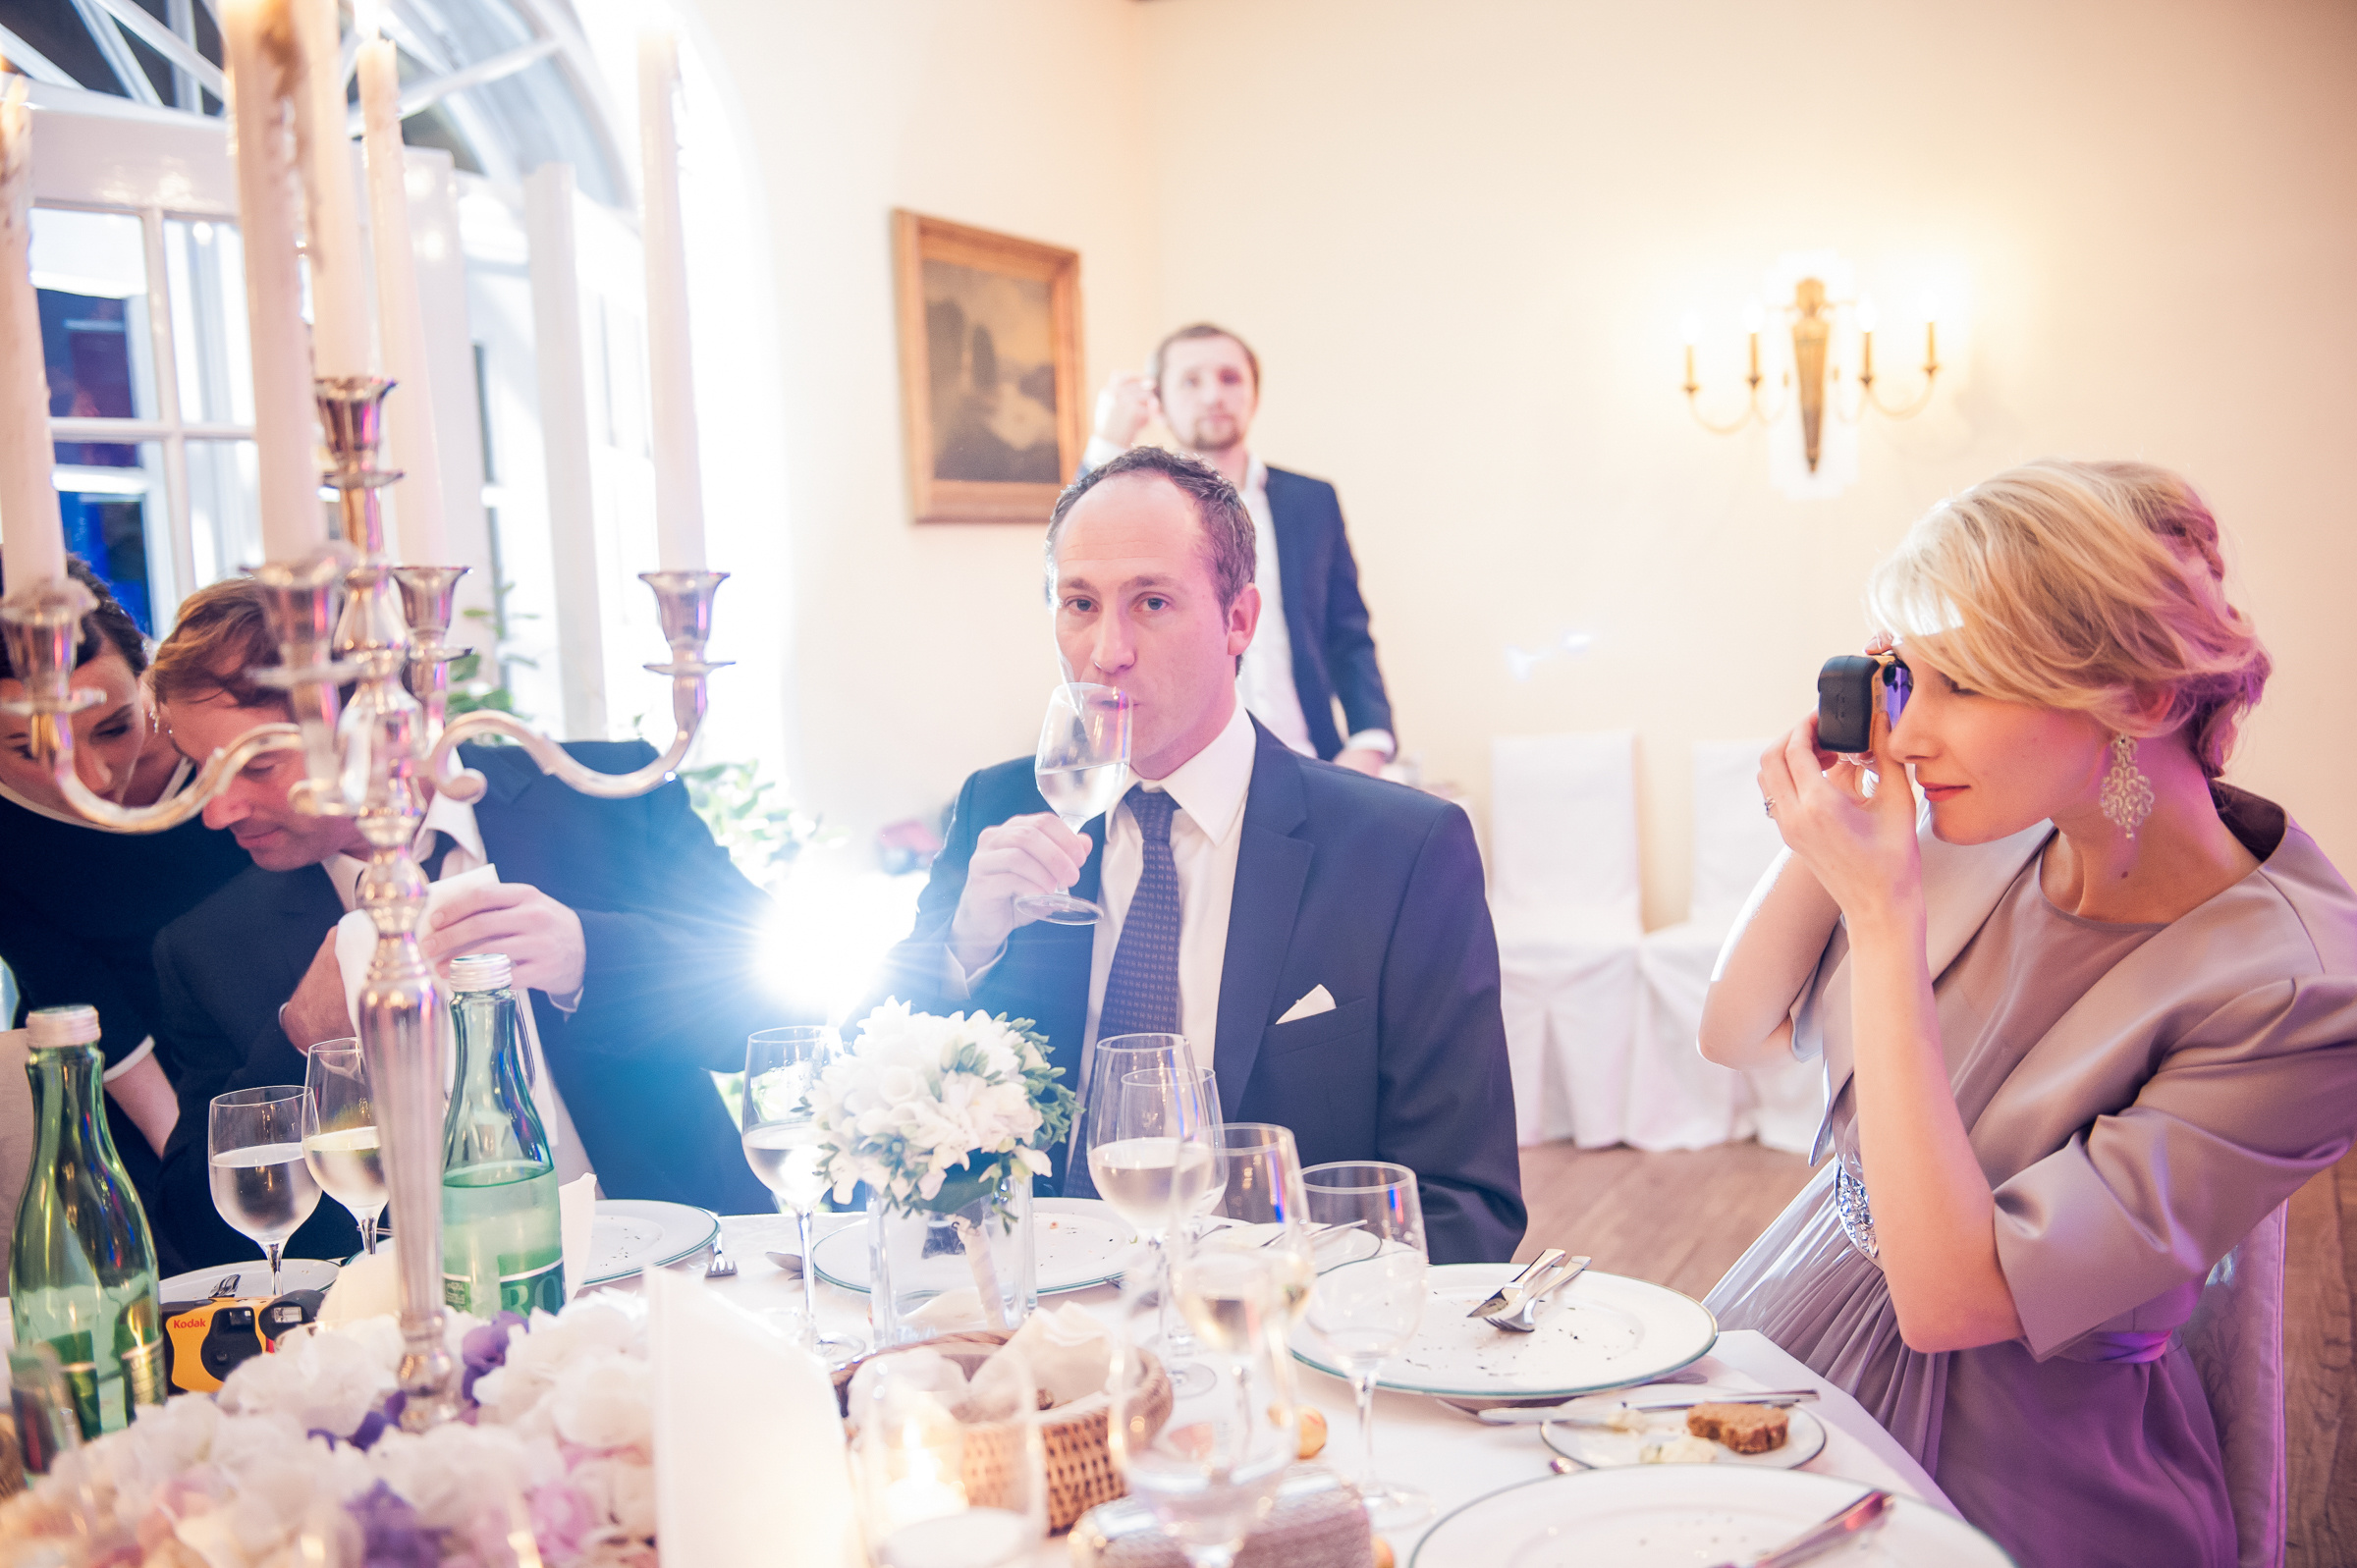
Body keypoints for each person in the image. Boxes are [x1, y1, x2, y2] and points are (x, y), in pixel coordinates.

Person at [1696, 460, 2357, 1567]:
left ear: (2141, 699)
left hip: (2023, 1468)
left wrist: (1882, 911)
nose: (1912, 733)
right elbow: (1736, 1030)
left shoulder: (2301, 993)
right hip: (1796, 1321)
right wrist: (1846, 813)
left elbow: (1956, 1297)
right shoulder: (1989, 824)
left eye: (1965, 684)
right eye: (1906, 675)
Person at [870, 446, 1522, 1265]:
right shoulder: (1000, 809)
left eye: (1151, 601)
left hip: (1271, 1333)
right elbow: (876, 1105)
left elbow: (1468, 1206)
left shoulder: (1401, 854)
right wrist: (965, 943)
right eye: (1079, 602)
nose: (1107, 650)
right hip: (1030, 1318)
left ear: (1239, 620)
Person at [144, 577, 777, 1269]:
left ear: (382, 725)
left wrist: (589, 955)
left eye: (257, 765)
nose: (216, 810)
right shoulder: (209, 947)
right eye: (203, 770)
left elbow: (783, 1003)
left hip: (693, 1271)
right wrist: (297, 1041)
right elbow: (192, 1234)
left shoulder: (604, 797)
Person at [0, 558, 249, 1270]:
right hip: (103, 1070)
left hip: (258, 1032)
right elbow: (69, 982)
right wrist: (188, 1157)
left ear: (142, 666)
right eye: (33, 749)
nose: (93, 777)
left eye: (113, 727)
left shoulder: (222, 748)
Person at [1087, 324, 1395, 774]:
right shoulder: (1137, 510)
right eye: (1191, 381)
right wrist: (1106, 446)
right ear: (1160, 404)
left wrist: (1370, 741)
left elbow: (1348, 632)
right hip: (1183, 772)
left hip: (1310, 763)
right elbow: (1068, 593)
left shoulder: (1312, 501)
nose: (1214, 395)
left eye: (1230, 378)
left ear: (1254, 395)